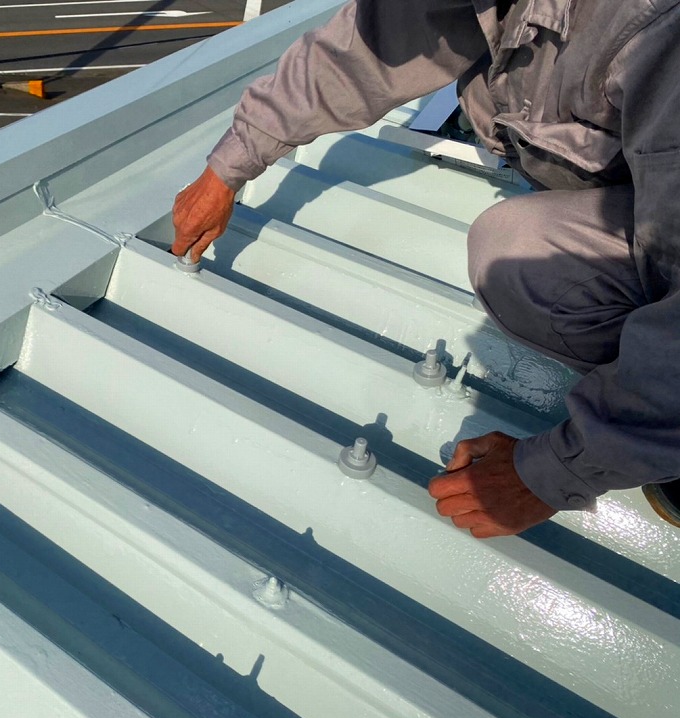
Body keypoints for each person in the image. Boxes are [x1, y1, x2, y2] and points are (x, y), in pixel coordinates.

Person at [171, 0, 680, 538]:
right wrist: (227, 169)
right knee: (525, 261)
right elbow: (358, 53)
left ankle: (659, 431)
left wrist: (556, 472)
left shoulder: (656, 29)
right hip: (644, 205)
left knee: (518, 254)